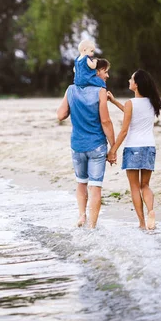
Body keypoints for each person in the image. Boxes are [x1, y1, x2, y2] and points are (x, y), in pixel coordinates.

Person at [57, 58, 116, 228]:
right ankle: (92, 225)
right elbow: (105, 121)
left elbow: (60, 115)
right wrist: (113, 147)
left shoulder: (71, 90)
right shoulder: (100, 92)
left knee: (81, 182)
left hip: (77, 145)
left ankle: (82, 216)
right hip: (97, 145)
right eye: (105, 71)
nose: (107, 75)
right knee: (95, 186)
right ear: (96, 72)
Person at [107, 69, 161, 230]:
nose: (129, 81)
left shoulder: (131, 103)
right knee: (145, 185)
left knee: (134, 187)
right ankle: (151, 211)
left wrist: (113, 150)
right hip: (149, 147)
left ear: (136, 84)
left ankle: (142, 223)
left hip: (133, 147)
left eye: (131, 79)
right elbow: (131, 113)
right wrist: (115, 101)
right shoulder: (153, 102)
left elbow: (124, 130)